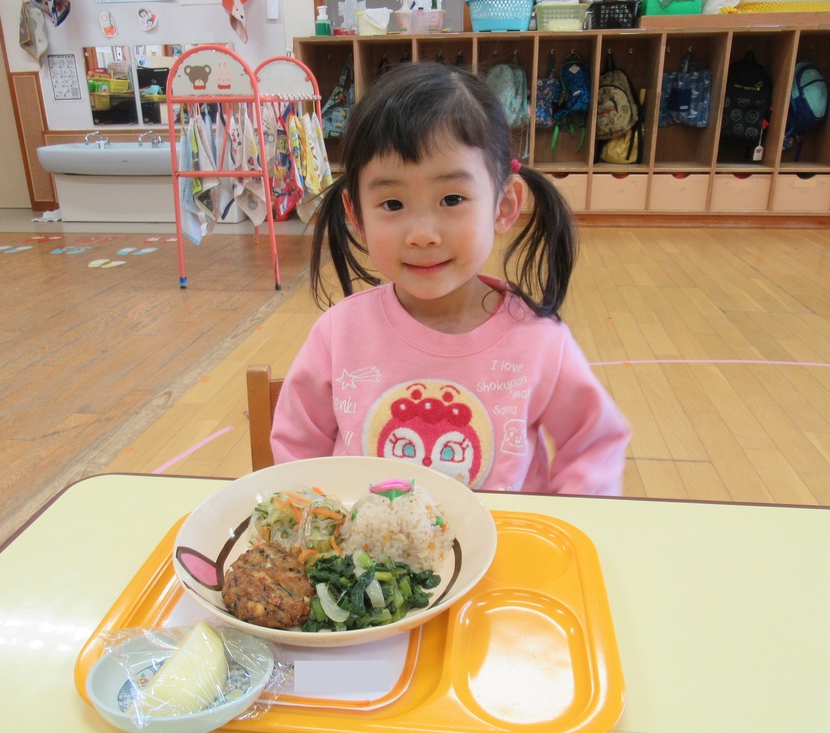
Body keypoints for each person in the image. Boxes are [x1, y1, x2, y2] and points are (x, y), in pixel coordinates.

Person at [270, 62, 630, 495]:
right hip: (365, 557)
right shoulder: (338, 334)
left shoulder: (539, 341)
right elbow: (297, 450)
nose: (422, 234)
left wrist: (562, 524)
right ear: (356, 215)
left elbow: (594, 443)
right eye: (392, 204)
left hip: (503, 552)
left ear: (503, 205)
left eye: (452, 198)